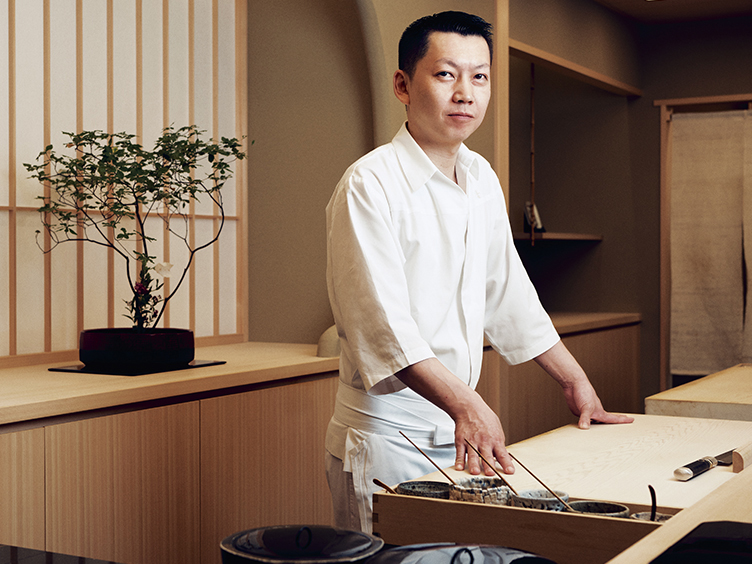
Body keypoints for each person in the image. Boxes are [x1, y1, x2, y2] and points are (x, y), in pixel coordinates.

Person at [324, 10, 633, 533]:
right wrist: (468, 403)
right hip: (387, 438)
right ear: (403, 84)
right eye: (446, 74)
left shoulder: (480, 176)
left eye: (480, 76)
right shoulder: (369, 184)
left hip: (461, 430)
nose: (465, 92)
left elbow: (507, 291)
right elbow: (382, 326)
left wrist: (575, 381)